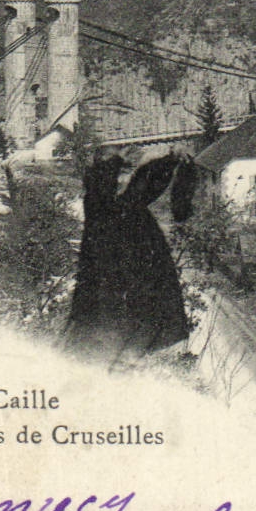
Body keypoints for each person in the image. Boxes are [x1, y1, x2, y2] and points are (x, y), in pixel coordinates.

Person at [64, 151, 194, 360]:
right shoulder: (112, 211)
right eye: (120, 176)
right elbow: (143, 185)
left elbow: (143, 184)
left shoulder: (107, 207)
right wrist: (167, 162)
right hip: (116, 308)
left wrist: (166, 162)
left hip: (116, 309)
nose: (123, 182)